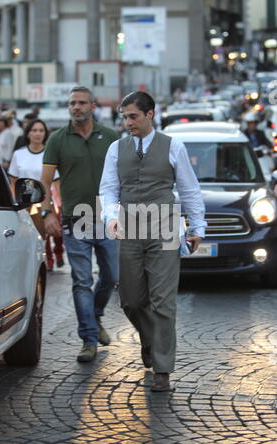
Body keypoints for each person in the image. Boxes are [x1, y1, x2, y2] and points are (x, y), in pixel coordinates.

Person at [99, 91, 206, 392]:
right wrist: (111, 217)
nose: (128, 122)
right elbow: (108, 189)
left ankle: (162, 369)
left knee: (163, 301)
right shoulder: (116, 149)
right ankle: (150, 339)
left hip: (166, 229)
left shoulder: (174, 147)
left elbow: (189, 190)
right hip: (129, 228)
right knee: (131, 300)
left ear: (150, 114)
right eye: (124, 117)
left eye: (133, 116)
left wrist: (196, 227)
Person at [41, 86, 118, 363]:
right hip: (76, 220)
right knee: (82, 281)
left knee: (111, 276)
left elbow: (125, 176)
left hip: (109, 219)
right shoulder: (58, 139)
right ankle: (88, 338)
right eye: (72, 103)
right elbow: (45, 182)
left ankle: (95, 318)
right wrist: (46, 212)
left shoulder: (110, 137)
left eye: (82, 103)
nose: (76, 107)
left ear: (93, 106)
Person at [8, 119, 59, 241]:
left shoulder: (50, 153)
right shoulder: (18, 154)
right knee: (28, 240)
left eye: (41, 130)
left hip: (46, 202)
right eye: (34, 130)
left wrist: (60, 206)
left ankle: (52, 259)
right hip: (25, 204)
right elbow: (13, 182)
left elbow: (56, 182)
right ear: (28, 133)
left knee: (46, 240)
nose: (38, 133)